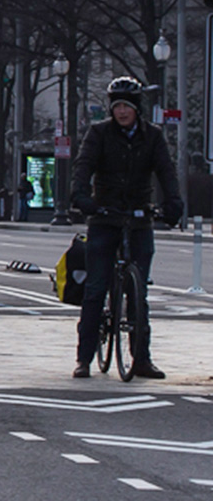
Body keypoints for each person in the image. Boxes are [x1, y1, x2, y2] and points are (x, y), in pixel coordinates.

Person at [70, 76, 184, 379]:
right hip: (105, 216)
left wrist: (173, 203)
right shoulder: (99, 134)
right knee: (95, 289)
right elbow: (84, 167)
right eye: (117, 106)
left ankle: (141, 358)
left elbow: (166, 171)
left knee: (139, 293)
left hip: (138, 218)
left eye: (127, 106)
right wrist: (83, 197)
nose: (122, 112)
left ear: (137, 109)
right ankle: (84, 358)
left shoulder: (153, 137)